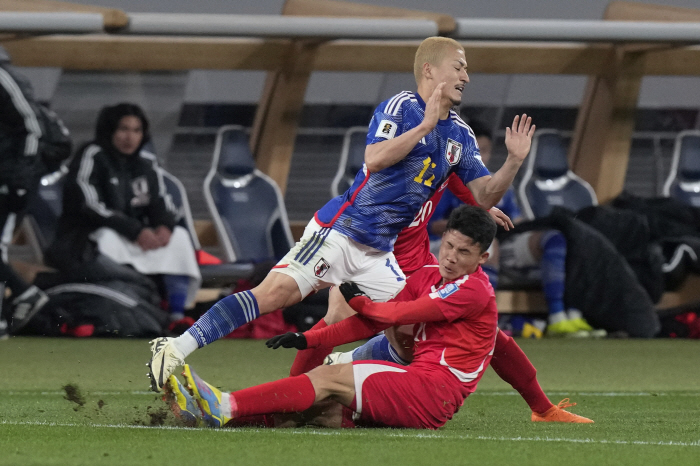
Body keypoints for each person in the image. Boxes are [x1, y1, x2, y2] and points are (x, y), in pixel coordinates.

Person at [147, 36, 535, 392]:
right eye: (459, 66)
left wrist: (514, 162)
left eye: (466, 68)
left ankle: (337, 369)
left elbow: (483, 195)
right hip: (339, 231)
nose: (466, 75)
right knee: (275, 294)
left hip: (379, 251)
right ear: (429, 70)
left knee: (408, 327)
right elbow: (375, 158)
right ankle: (175, 347)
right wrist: (425, 126)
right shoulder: (402, 108)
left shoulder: (462, 135)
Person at [162, 206, 592, 429]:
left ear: (483, 257)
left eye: (464, 253)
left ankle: (223, 405)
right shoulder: (428, 274)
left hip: (432, 391)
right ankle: (212, 415)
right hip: (409, 376)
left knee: (327, 381)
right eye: (449, 247)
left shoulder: (475, 288)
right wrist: (309, 340)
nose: (452, 257)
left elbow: (402, 312)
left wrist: (362, 303)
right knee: (320, 410)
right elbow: (376, 322)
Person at [427, 121, 599, 337]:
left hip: (502, 242)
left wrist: (512, 224)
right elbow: (432, 224)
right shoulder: (447, 180)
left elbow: (516, 219)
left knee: (557, 238)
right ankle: (484, 319)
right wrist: (471, 221)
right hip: (449, 244)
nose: (481, 156)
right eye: (476, 150)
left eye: (485, 151)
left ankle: (559, 316)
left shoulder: (497, 183)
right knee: (487, 242)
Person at [45, 103, 201, 325]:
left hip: (136, 237)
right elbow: (88, 204)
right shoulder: (92, 155)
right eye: (124, 129)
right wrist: (135, 230)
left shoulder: (147, 164)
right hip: (86, 239)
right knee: (107, 237)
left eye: (137, 131)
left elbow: (162, 203)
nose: (130, 137)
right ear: (110, 130)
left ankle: (178, 314)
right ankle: (138, 304)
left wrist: (164, 227)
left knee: (180, 238)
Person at [0, 47, 50, 339]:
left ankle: (24, 293)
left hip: (10, 181)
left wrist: (19, 179)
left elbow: (32, 128)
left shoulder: (4, 80)